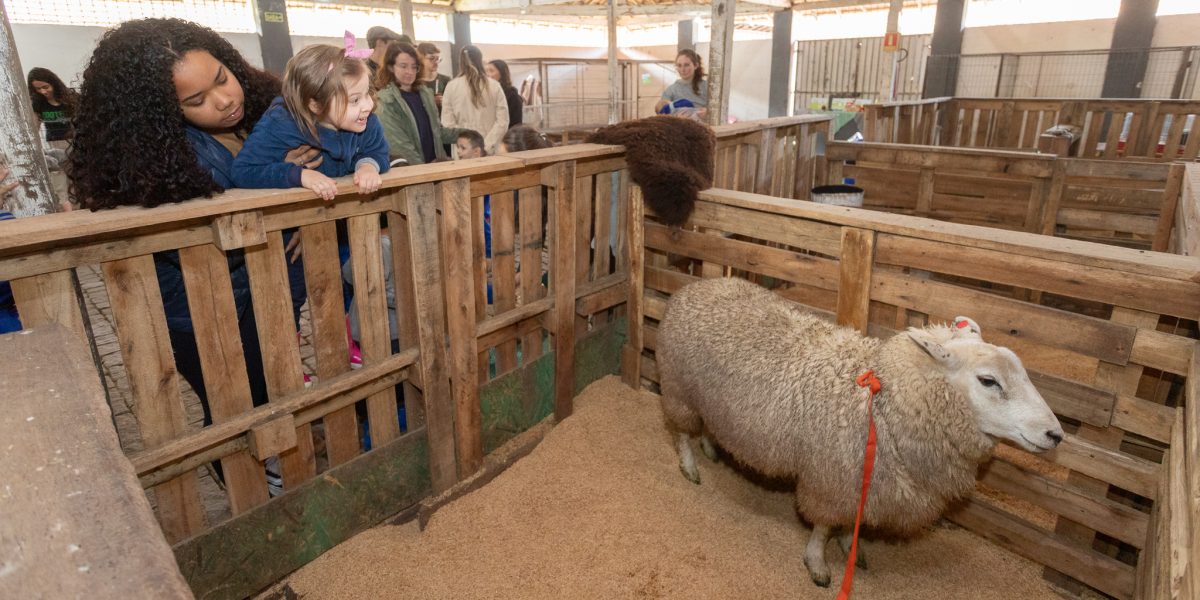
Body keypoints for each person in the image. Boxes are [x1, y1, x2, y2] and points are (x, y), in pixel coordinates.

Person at [67, 18, 317, 495]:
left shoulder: (266, 111)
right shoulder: (155, 159)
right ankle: (253, 498)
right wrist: (273, 186)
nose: (224, 100)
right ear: (159, 111)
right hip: (202, 309)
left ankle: (277, 479)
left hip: (268, 288)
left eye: (222, 78)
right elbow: (207, 232)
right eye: (195, 100)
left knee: (270, 391)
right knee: (231, 406)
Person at [231, 43, 390, 200]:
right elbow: (243, 171)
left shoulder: (366, 122)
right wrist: (300, 175)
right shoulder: (281, 124)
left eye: (367, 93)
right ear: (315, 104)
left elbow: (377, 151)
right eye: (355, 100)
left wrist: (367, 167)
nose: (368, 105)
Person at [375, 41, 473, 166]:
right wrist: (426, 171)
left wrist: (466, 133)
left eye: (414, 66)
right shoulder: (385, 101)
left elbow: (437, 132)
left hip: (435, 168)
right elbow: (401, 146)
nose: (409, 72)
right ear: (390, 67)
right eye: (403, 66)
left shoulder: (425, 95)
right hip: (414, 173)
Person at [442, 45, 508, 156]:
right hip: (489, 151)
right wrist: (484, 146)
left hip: (462, 152)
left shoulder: (451, 86)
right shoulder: (494, 86)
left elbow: (447, 124)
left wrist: (466, 147)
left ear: (460, 62)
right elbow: (503, 122)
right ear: (480, 60)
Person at [26, 67, 78, 143]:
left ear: (54, 84)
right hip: (52, 143)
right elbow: (34, 129)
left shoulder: (73, 98)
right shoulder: (37, 102)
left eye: (45, 87)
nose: (43, 91)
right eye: (38, 89)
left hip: (74, 142)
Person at [655, 49, 708, 116]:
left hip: (703, 125)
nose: (682, 69)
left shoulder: (707, 87)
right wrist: (677, 118)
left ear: (696, 65)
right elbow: (662, 115)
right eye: (679, 65)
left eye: (686, 65)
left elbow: (718, 110)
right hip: (679, 125)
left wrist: (708, 112)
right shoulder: (671, 90)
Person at [485, 59, 522, 129]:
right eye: (485, 71)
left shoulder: (511, 94)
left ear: (502, 73)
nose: (487, 74)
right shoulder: (487, 93)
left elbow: (515, 123)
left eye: (491, 71)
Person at [417, 42, 451, 111]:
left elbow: (454, 105)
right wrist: (431, 102)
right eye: (431, 58)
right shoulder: (415, 82)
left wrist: (445, 102)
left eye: (437, 59)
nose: (436, 62)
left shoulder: (445, 80)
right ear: (421, 59)